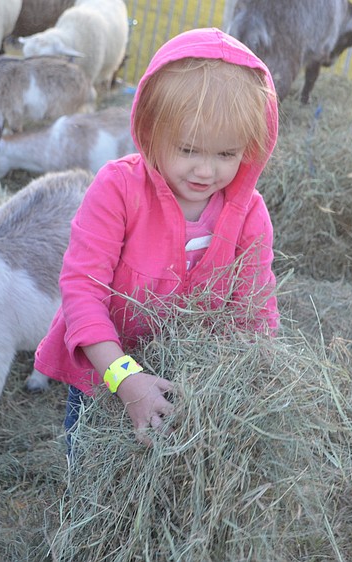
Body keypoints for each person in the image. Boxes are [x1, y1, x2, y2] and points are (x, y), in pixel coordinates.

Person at [34, 27, 280, 450]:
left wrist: (257, 380)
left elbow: (256, 310)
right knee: (93, 478)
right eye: (188, 150)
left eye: (226, 154)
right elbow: (82, 292)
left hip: (192, 390)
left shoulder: (249, 214)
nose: (206, 171)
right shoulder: (117, 190)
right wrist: (125, 379)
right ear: (150, 131)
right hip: (105, 378)